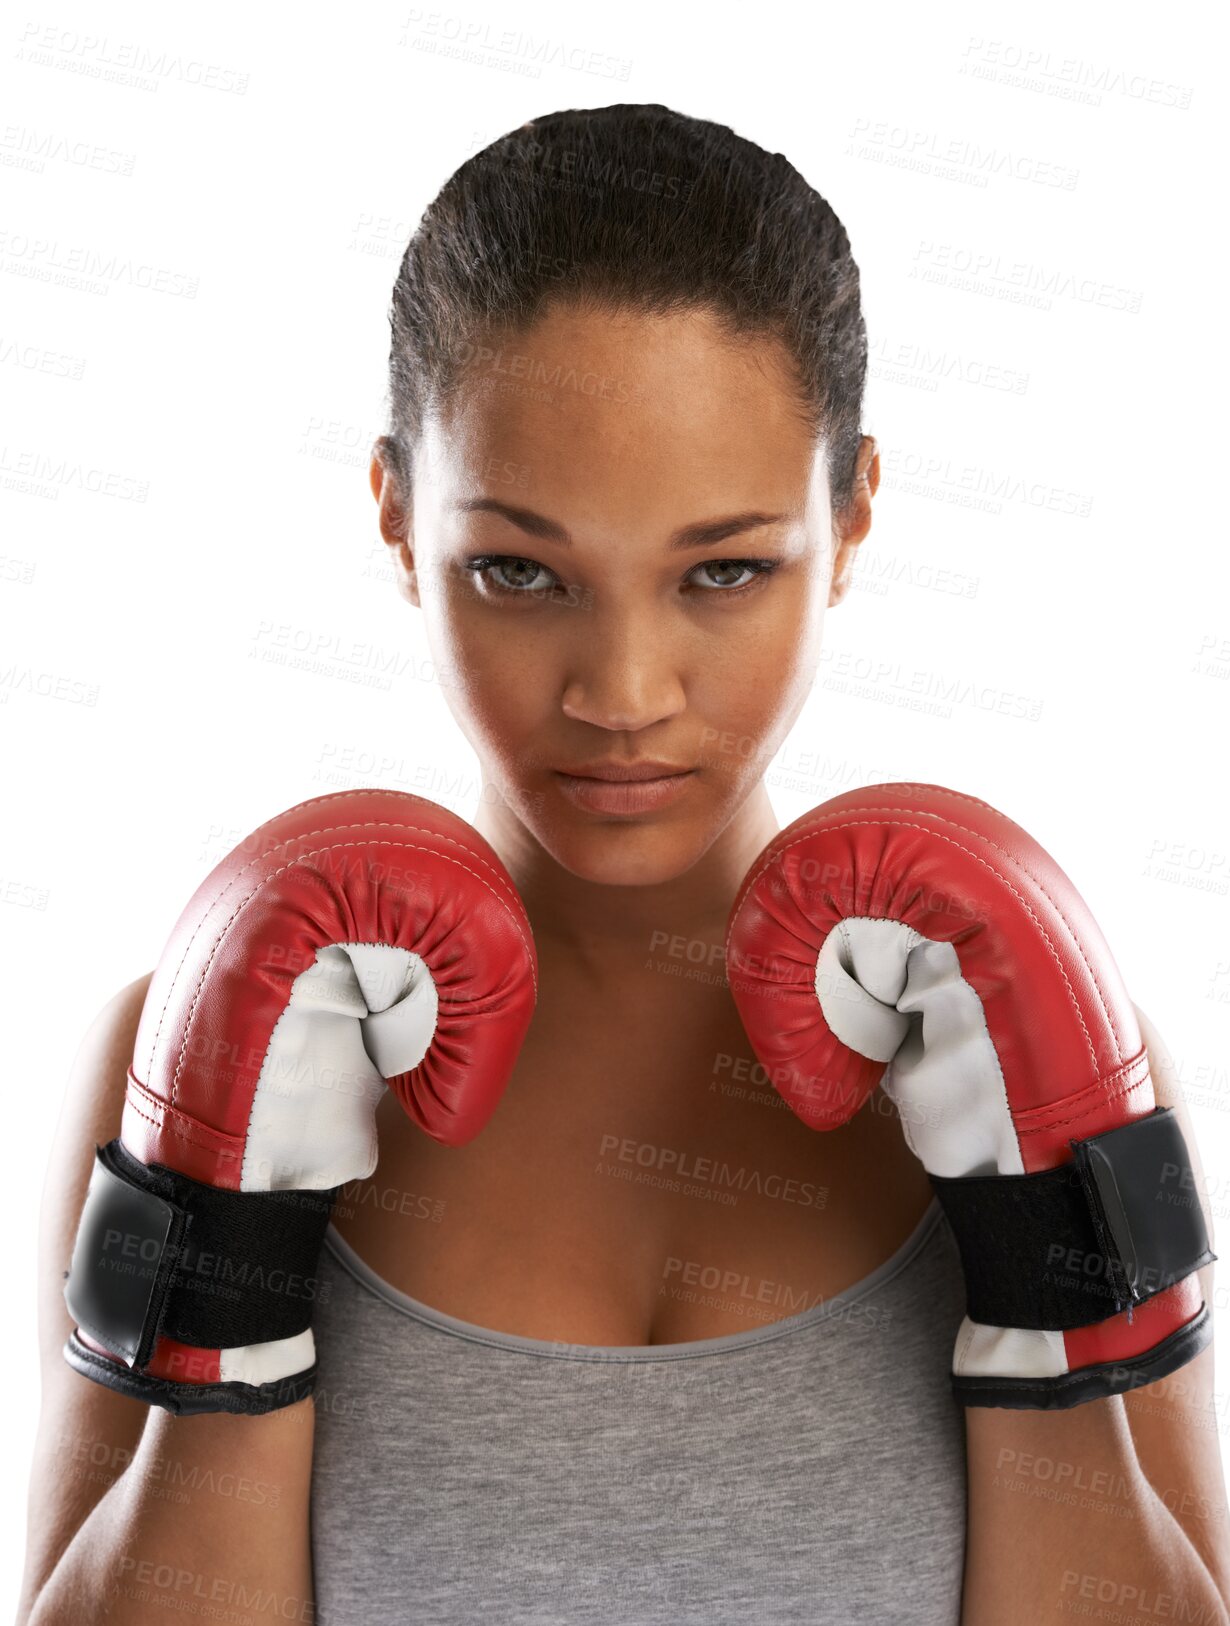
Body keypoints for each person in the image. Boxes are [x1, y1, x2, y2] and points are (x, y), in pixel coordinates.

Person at [21, 103, 1229, 1626]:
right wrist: (232, 1305)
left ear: (849, 514)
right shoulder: (180, 1045)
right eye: (518, 569)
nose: (622, 689)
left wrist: (1039, 1300)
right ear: (396, 516)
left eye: (722, 569)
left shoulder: (1049, 1043)